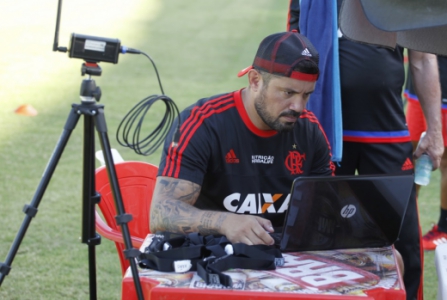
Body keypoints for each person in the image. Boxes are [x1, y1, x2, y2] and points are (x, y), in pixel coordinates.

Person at [287, 1, 443, 300]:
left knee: (403, 237)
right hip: (324, 133)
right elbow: (291, 55)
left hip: (386, 130)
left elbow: (423, 60)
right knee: (321, 235)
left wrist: (434, 132)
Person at [149, 31, 335, 246]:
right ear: (255, 80)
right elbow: (161, 214)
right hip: (214, 257)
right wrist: (225, 222)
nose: (299, 107)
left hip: (286, 258)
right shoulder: (201, 122)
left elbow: (326, 212)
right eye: (288, 93)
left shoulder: (310, 130)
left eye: (306, 95)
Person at [405, 55, 447, 251]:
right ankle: (405, 223)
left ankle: (444, 229)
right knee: (410, 155)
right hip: (418, 80)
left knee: (444, 160)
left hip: (444, 80)